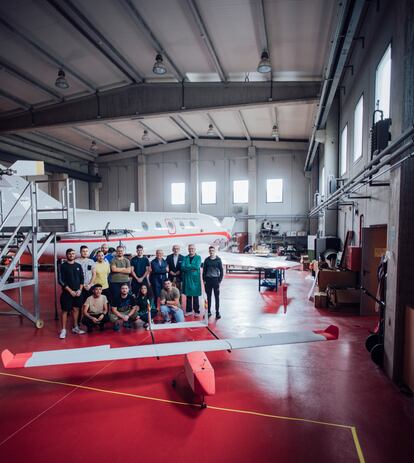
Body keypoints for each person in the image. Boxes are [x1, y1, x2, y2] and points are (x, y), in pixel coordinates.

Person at [58, 248, 86, 338]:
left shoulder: (78, 265)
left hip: (77, 292)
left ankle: (75, 327)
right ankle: (63, 330)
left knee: (76, 309)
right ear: (67, 255)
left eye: (73, 254)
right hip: (67, 293)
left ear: (75, 255)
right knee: (65, 311)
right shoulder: (63, 266)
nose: (71, 255)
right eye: (69, 254)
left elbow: (82, 279)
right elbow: (60, 280)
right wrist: (70, 291)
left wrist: (80, 290)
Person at [203, 246, 224, 319]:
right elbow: (204, 271)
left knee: (216, 297)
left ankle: (217, 312)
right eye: (210, 251)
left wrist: (219, 280)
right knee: (208, 297)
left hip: (216, 280)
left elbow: (221, 271)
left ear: (215, 251)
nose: (211, 252)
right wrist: (204, 280)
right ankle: (208, 311)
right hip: (208, 280)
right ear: (209, 251)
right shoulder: (206, 260)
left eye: (212, 250)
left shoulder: (218, 260)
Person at [181, 244, 202, 316]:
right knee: (188, 295)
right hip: (187, 278)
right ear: (188, 249)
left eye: (192, 249)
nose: (191, 250)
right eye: (190, 249)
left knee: (195, 295)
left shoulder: (198, 257)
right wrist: (191, 268)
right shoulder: (185, 258)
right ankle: (189, 310)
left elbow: (197, 266)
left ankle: (197, 311)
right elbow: (182, 267)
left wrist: (188, 267)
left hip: (195, 279)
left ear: (195, 249)